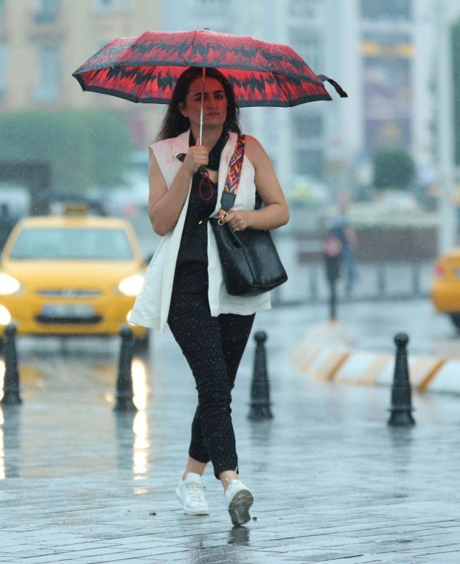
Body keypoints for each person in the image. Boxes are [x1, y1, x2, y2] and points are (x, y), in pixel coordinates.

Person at [129, 67, 290, 527]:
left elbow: (280, 210)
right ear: (183, 107)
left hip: (236, 282)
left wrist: (246, 218)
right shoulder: (165, 153)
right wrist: (187, 170)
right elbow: (160, 222)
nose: (212, 104)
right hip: (184, 285)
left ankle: (190, 477)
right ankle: (231, 481)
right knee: (214, 386)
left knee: (220, 387)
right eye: (200, 97)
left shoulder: (247, 149)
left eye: (218, 95)